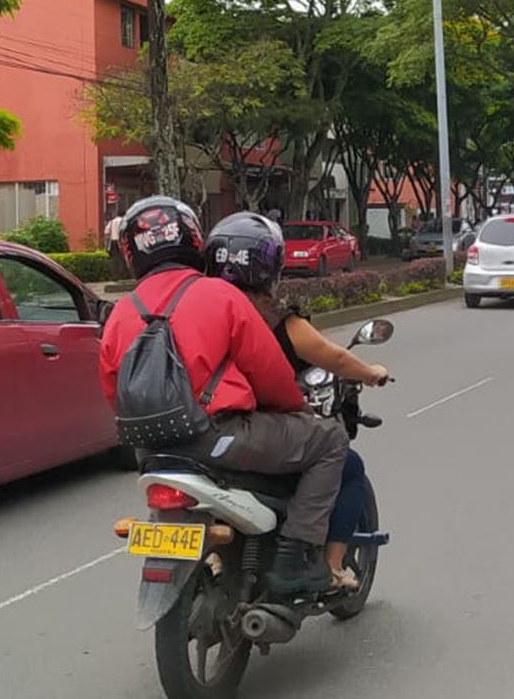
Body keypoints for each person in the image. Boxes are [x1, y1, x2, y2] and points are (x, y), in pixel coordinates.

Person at [99, 196, 349, 595]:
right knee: (331, 439)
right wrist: (296, 408)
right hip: (216, 438)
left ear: (131, 251)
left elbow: (114, 391)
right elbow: (270, 373)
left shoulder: (121, 312)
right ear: (193, 238)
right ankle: (295, 555)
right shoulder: (219, 294)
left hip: (151, 452)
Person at [204, 213, 389, 592]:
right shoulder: (273, 319)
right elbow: (334, 358)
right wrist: (371, 373)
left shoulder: (196, 311)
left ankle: (216, 556)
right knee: (344, 459)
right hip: (252, 432)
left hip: (198, 429)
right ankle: (325, 563)